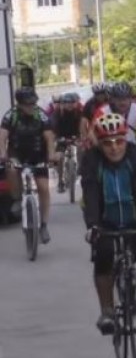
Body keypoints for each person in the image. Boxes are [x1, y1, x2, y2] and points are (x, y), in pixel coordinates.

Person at [81, 113, 136, 334]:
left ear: (126, 139)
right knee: (104, 256)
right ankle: (107, 310)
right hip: (104, 217)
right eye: (107, 143)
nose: (114, 148)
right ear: (100, 144)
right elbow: (90, 194)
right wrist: (93, 225)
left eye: (119, 141)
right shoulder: (91, 159)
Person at [0, 87, 58, 243]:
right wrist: (3, 153)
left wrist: (51, 154)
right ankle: (17, 198)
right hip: (17, 152)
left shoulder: (41, 115)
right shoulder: (11, 115)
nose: (32, 106)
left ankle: (43, 225)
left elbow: (49, 137)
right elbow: (2, 136)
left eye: (33, 103)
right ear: (19, 104)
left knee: (43, 187)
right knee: (11, 169)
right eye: (28, 104)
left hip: (38, 153)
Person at [94, 82, 136, 147]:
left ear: (130, 98)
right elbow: (92, 132)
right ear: (113, 99)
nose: (122, 102)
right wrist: (98, 148)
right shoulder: (103, 110)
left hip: (131, 146)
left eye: (125, 99)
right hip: (110, 148)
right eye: (119, 99)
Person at [52, 92, 84, 193]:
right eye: (66, 102)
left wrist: (81, 137)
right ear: (63, 104)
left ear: (75, 103)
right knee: (59, 157)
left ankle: (80, 168)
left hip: (75, 137)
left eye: (71, 102)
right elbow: (53, 126)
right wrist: (56, 137)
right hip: (61, 137)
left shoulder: (79, 113)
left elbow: (83, 126)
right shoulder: (57, 113)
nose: (69, 105)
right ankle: (60, 181)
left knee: (81, 149)